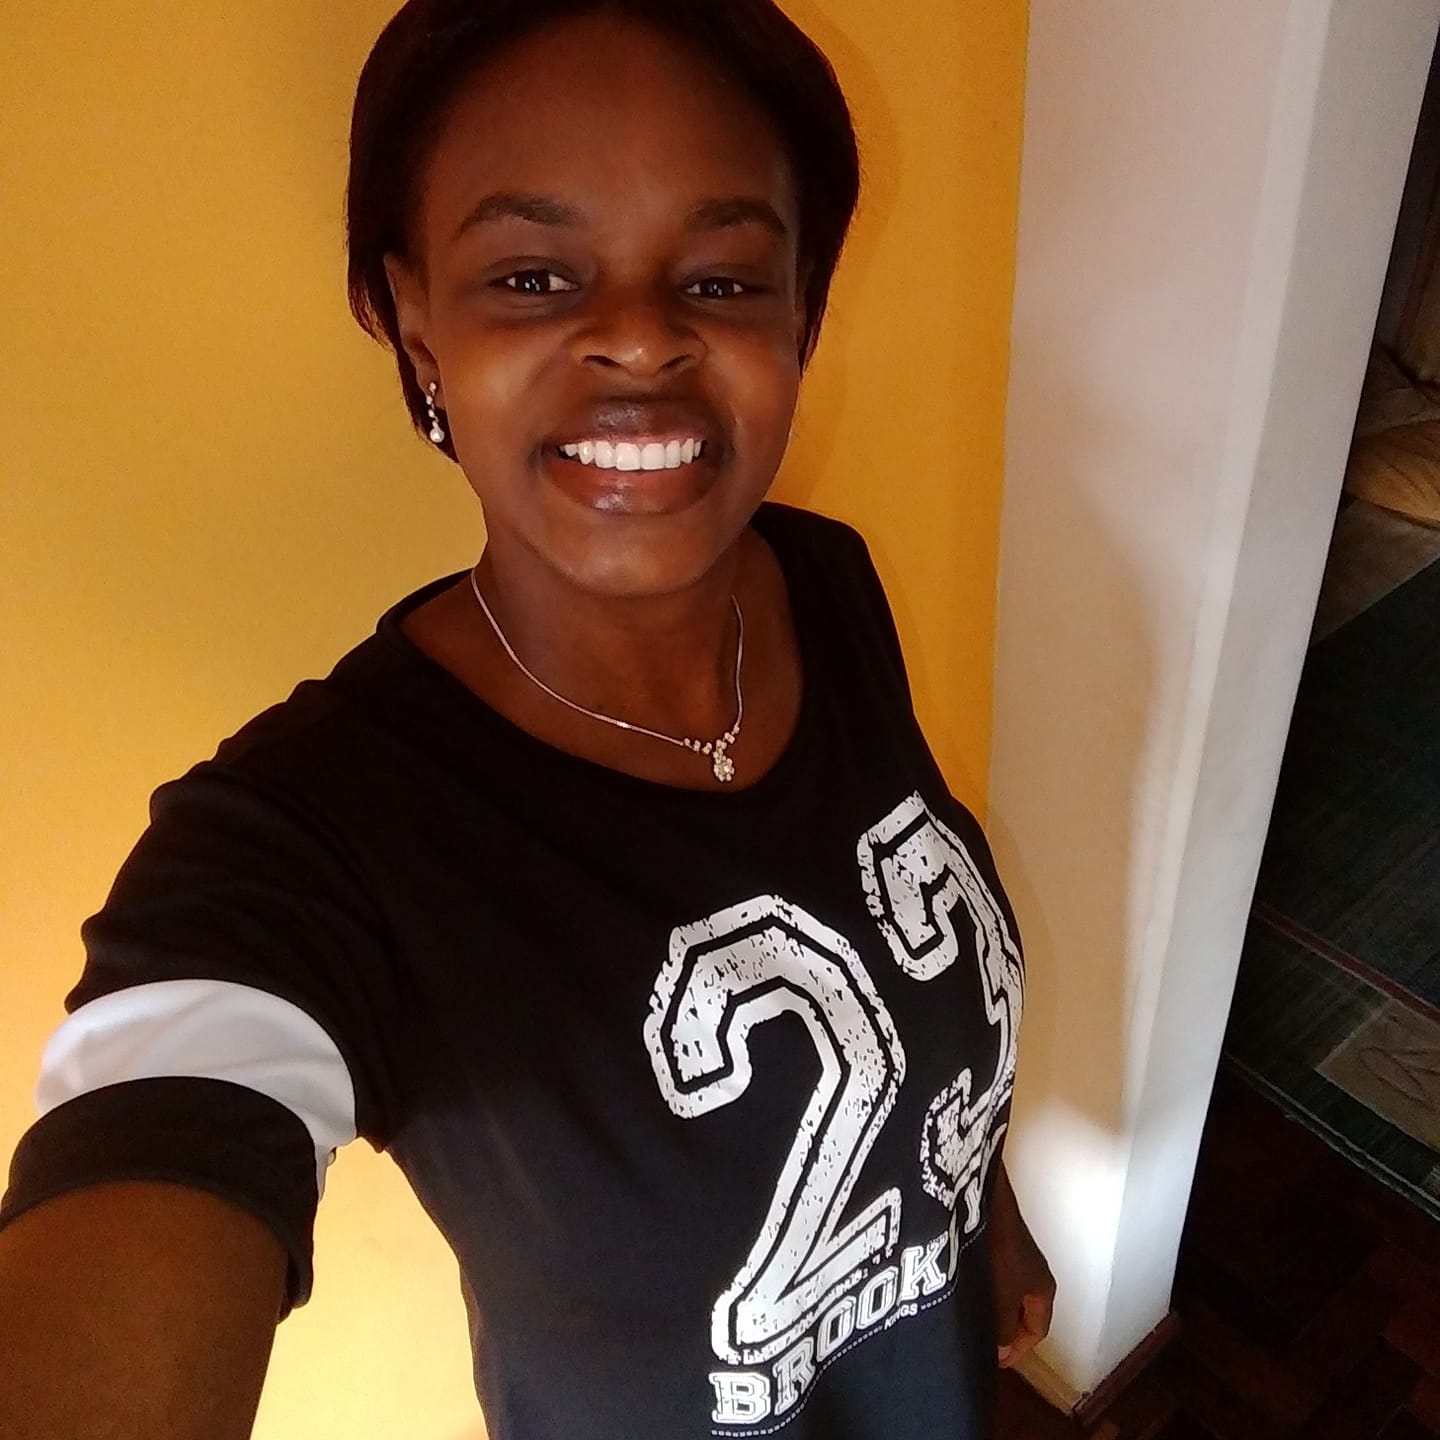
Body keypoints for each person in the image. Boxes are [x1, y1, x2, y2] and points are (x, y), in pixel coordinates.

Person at [0, 1, 1055, 1436]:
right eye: (533, 275)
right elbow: (163, 1133)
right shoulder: (310, 847)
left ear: (802, 313)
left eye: (725, 278)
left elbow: (908, 995)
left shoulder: (825, 584)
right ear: (414, 320)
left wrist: (981, 1213)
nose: (640, 336)